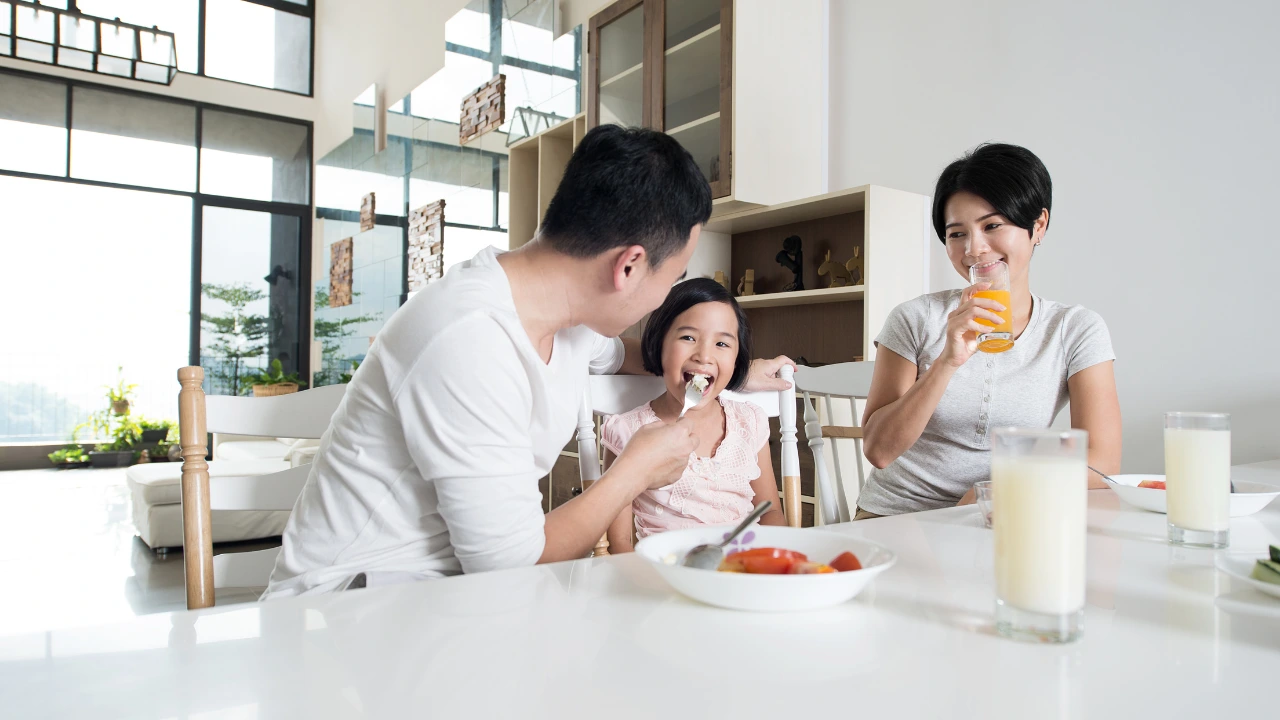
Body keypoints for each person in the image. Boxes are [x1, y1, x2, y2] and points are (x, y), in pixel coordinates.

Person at [263, 125, 793, 597]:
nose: (664, 298)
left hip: (452, 593)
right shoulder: (469, 340)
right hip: (356, 601)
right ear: (630, 266)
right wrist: (634, 471)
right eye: (669, 277)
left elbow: (639, 358)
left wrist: (735, 372)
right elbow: (509, 565)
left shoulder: (571, 318)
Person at [856, 143, 1121, 518]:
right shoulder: (915, 318)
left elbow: (1103, 460)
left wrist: (1001, 489)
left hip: (1003, 517)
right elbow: (879, 452)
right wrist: (947, 362)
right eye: (956, 234)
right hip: (899, 519)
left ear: (1038, 225)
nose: (974, 249)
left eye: (992, 225)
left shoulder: (1075, 329)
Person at [602, 278, 787, 553]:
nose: (704, 356)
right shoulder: (627, 431)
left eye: (722, 344)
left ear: (738, 358)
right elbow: (620, 543)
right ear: (659, 344)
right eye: (688, 337)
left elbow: (770, 512)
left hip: (745, 568)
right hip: (666, 577)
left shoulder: (749, 422)